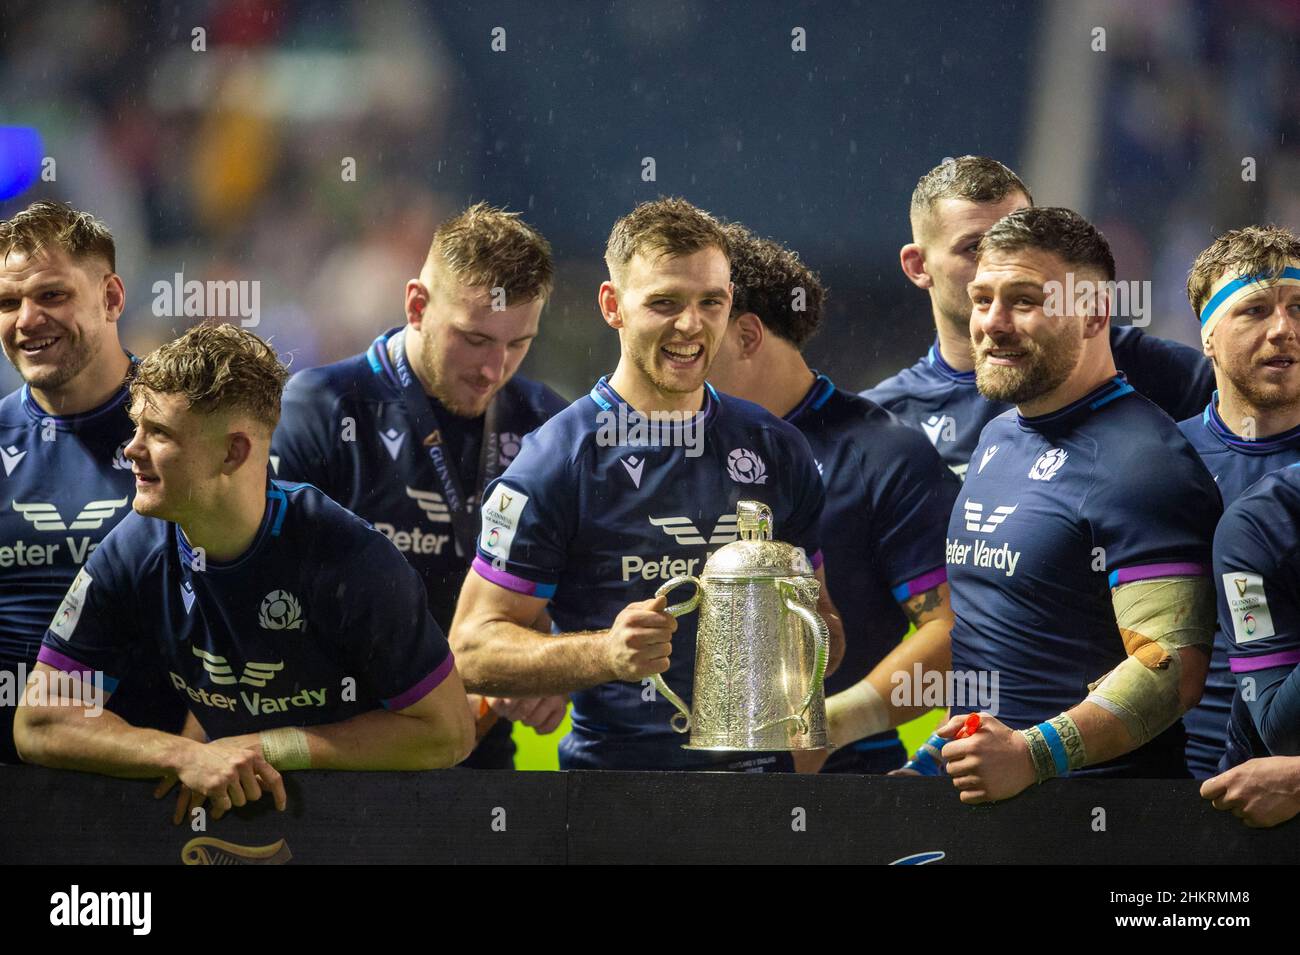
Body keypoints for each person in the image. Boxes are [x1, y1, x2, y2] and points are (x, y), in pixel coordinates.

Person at [15, 323, 475, 820]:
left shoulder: (349, 557)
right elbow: (40, 721)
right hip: (241, 821)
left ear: (234, 451)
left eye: (160, 432)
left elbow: (447, 731)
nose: (131, 449)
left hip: (368, 828)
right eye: (136, 426)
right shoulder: (132, 550)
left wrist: (269, 748)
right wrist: (187, 754)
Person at [449, 197, 845, 771]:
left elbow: (824, 628)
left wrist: (796, 644)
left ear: (730, 302)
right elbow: (472, 647)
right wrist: (605, 653)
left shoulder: (775, 446)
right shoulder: (556, 460)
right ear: (613, 306)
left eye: (710, 301)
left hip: (763, 798)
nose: (690, 324)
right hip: (616, 799)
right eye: (664, 302)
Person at [934, 207, 1220, 802]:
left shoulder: (1144, 464)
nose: (993, 323)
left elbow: (1172, 670)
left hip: (1098, 820)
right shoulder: (1000, 434)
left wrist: (1031, 754)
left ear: (1094, 313)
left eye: (1024, 300)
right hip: (994, 803)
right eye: (982, 298)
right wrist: (940, 753)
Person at [272, 202, 568, 769]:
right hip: (335, 755)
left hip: (478, 765)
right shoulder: (319, 409)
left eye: (518, 343)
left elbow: (587, 588)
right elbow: (266, 596)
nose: (493, 368)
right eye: (475, 339)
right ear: (416, 305)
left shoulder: (547, 426)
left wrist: (547, 659)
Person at [706, 223, 957, 773]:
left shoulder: (884, 454)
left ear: (747, 336)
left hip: (837, 781)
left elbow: (955, 632)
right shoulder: (660, 443)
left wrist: (834, 722)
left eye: (703, 318)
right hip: (654, 773)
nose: (680, 337)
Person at [864, 156, 1214, 478]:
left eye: (1019, 236)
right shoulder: (879, 422)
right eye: (974, 247)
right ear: (918, 266)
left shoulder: (1149, 369)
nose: (999, 262)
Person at [0, 200, 184, 764]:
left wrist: (196, 756)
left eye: (51, 294)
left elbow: (245, 606)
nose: (27, 319)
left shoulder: (190, 433)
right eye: (8, 302)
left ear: (111, 298)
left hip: (160, 784)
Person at [1175, 226, 1300, 779]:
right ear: (1206, 335)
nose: (1284, 330)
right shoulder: (1153, 463)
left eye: (1299, 307)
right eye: (1254, 310)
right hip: (1170, 787)